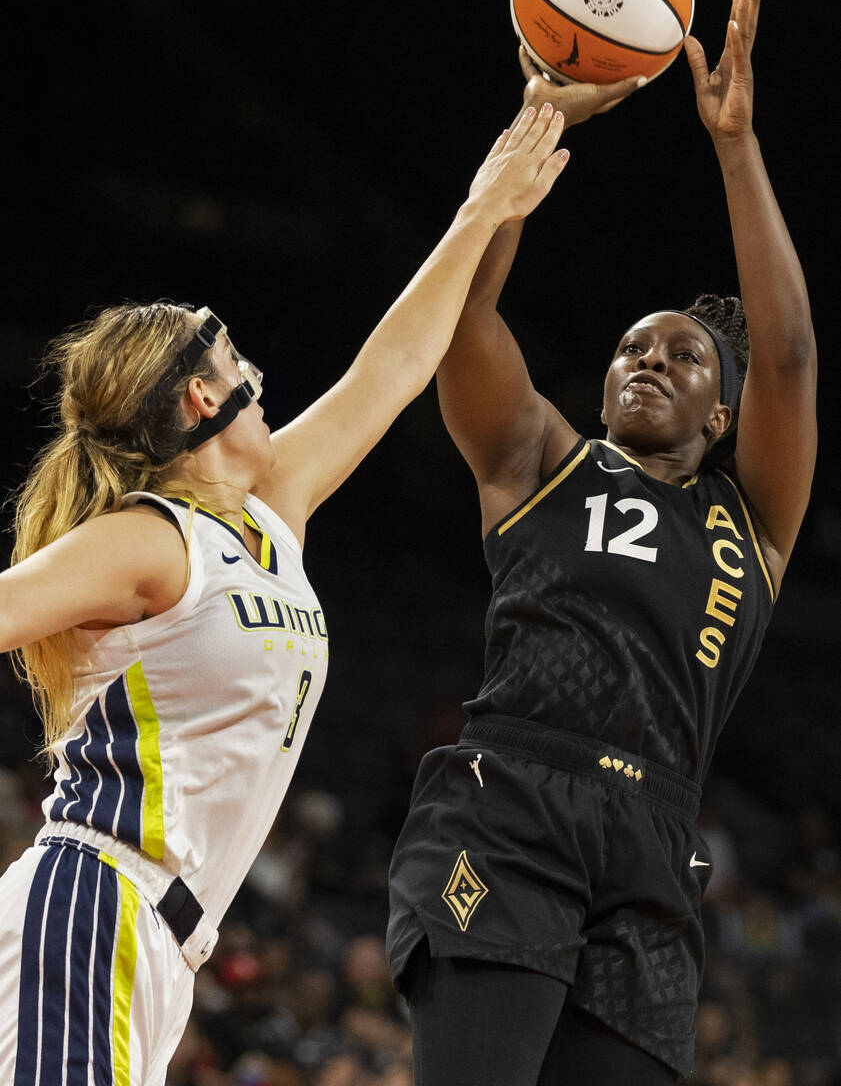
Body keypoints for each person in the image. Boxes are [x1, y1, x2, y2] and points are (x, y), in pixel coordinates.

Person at [0, 100, 602, 1085]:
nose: (257, 372)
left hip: (165, 943)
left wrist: (482, 211)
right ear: (201, 394)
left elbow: (396, 366)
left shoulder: (264, 517)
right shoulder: (146, 539)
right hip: (92, 900)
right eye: (235, 355)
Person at [387, 0, 817, 1086]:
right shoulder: (540, 458)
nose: (647, 359)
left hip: (655, 838)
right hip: (511, 799)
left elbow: (790, 357)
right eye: (632, 346)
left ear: (722, 417)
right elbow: (464, 319)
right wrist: (537, 130)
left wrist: (734, 143)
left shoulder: (753, 520)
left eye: (680, 356)